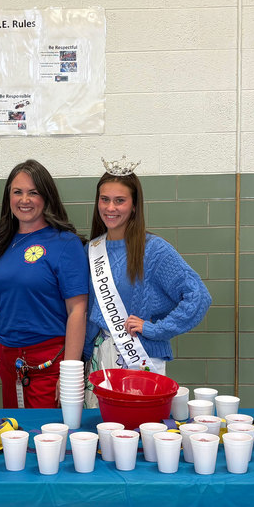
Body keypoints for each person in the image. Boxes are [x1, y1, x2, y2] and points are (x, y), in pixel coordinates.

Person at [84, 157, 210, 388]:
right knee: (101, 424)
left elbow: (199, 296)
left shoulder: (153, 250)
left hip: (140, 356)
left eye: (119, 201)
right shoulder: (91, 249)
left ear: (134, 205)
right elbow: (90, 311)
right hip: (99, 359)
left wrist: (155, 329)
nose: (110, 208)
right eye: (105, 200)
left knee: (140, 423)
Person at [0, 159, 89, 409]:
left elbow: (78, 311)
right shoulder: (1, 243)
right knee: (15, 435)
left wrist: (70, 374)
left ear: (47, 197)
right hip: (8, 358)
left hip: (48, 360)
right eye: (17, 192)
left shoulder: (66, 243)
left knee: (46, 439)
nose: (25, 200)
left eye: (33, 193)